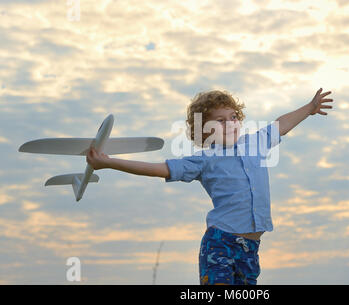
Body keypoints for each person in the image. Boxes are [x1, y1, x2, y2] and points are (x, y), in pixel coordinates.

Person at [86, 88, 333, 285]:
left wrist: (310, 108)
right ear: (204, 132)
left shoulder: (256, 142)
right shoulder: (204, 159)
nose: (230, 123)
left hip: (251, 249)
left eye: (234, 117)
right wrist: (109, 163)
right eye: (220, 121)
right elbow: (160, 168)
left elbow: (282, 123)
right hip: (220, 244)